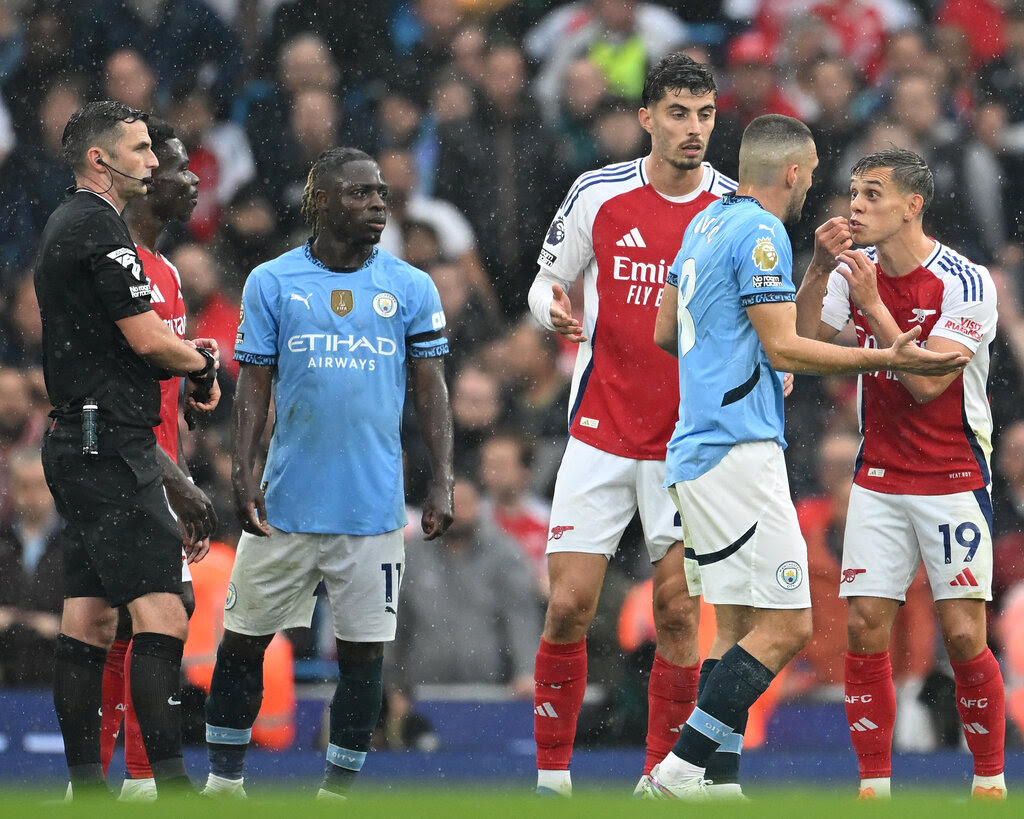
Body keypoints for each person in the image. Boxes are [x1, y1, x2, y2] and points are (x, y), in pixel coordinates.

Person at [642, 115, 967, 800]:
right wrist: (885, 355)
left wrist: (810, 274)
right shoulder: (759, 231)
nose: (818, 184)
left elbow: (666, 329)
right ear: (792, 172)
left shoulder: (703, 221)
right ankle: (675, 773)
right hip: (738, 450)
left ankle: (717, 783)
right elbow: (788, 347)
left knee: (734, 627)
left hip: (695, 447)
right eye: (815, 172)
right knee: (788, 624)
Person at [202, 147, 454, 801]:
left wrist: (442, 478)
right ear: (321, 203)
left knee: (365, 655)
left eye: (382, 194)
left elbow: (431, 391)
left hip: (372, 507)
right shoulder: (271, 282)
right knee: (242, 641)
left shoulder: (410, 286)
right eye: (361, 193)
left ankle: (336, 793)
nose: (378, 204)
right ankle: (225, 782)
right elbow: (253, 389)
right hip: (285, 502)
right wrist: (243, 469)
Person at [526, 53, 737, 797]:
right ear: (647, 118)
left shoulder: (734, 211)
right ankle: (553, 780)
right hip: (599, 429)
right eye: (678, 114)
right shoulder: (597, 193)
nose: (693, 129)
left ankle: (660, 780)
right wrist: (550, 308)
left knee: (679, 613)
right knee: (568, 605)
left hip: (688, 444)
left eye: (705, 115)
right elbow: (546, 278)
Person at [794, 147, 1006, 800]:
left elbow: (930, 385)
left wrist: (873, 306)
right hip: (879, 479)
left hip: (951, 478)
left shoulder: (967, 281)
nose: (855, 206)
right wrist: (820, 269)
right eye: (853, 193)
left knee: (966, 633)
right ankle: (874, 787)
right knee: (864, 625)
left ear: (913, 206)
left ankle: (990, 781)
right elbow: (804, 346)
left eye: (872, 195)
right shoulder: (848, 271)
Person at [33, 100, 221, 797]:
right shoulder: (100, 227)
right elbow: (146, 340)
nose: (154, 160)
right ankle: (167, 785)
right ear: (100, 159)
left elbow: (126, 341)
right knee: (164, 610)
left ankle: (87, 788)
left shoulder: (67, 225)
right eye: (141, 149)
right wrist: (201, 365)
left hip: (77, 438)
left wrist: (186, 359)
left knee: (88, 615)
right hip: (110, 442)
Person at [97, 116, 220, 801]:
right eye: (176, 166)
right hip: (128, 468)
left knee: (128, 621)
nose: (192, 177)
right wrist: (177, 482)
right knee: (161, 610)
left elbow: (167, 390)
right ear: (144, 180)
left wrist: (200, 375)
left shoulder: (169, 271)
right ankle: (144, 778)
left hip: (157, 467)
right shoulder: (119, 266)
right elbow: (119, 393)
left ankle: (114, 778)